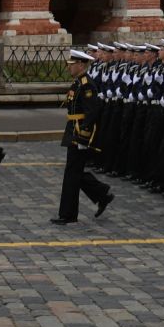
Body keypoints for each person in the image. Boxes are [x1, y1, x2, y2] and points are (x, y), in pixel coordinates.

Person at [54, 49, 113, 223]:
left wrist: (83, 138)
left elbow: (92, 112)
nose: (68, 68)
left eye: (71, 65)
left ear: (80, 65)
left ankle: (68, 214)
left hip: (79, 133)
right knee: (75, 172)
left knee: (72, 173)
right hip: (73, 129)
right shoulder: (78, 82)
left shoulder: (87, 84)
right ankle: (102, 194)